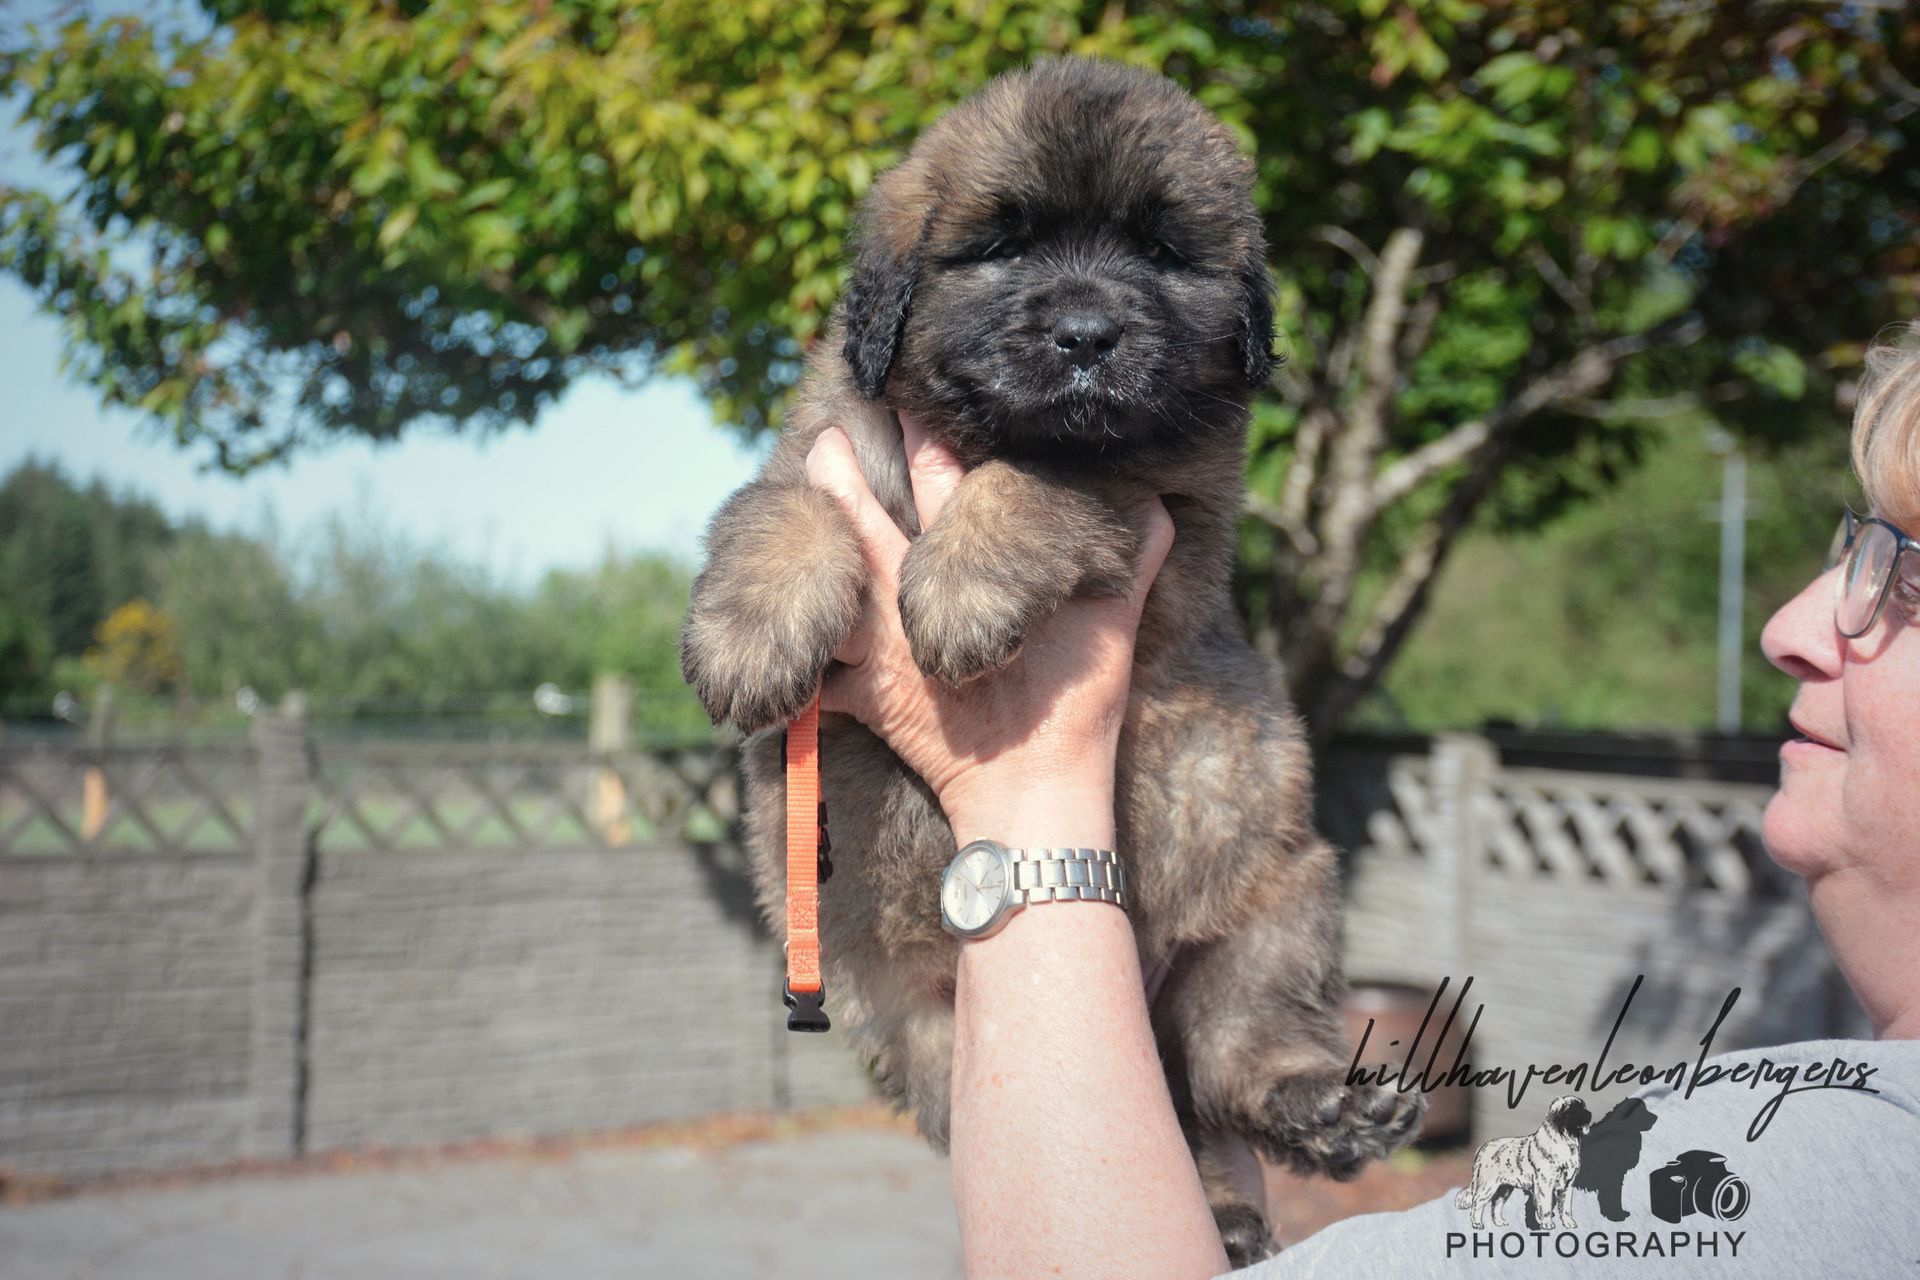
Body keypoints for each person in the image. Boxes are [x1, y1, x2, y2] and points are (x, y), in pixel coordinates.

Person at [798, 325, 1920, 1279]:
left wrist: (1017, 782)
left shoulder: (1818, 1181)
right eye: (1852, 543)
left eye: (1905, 570)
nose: (1792, 622)